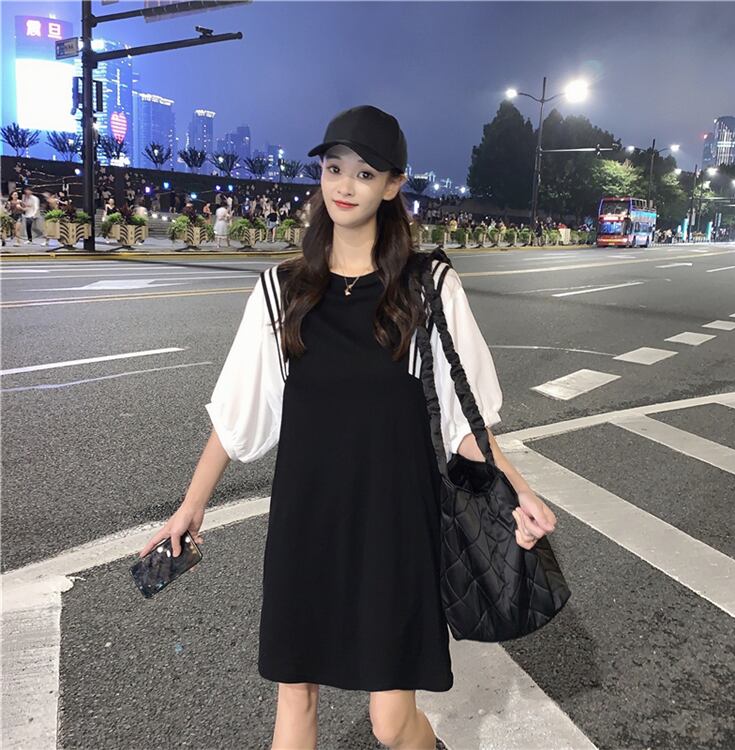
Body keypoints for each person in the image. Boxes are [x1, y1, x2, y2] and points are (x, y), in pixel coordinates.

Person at [137, 104, 557, 750]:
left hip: (394, 523)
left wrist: (519, 492)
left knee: (391, 723)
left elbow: (465, 421)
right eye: (334, 168)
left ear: (393, 185)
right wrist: (191, 507)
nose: (344, 185)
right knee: (295, 697)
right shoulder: (283, 290)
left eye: (364, 173)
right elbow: (237, 412)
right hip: (307, 519)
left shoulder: (428, 287)